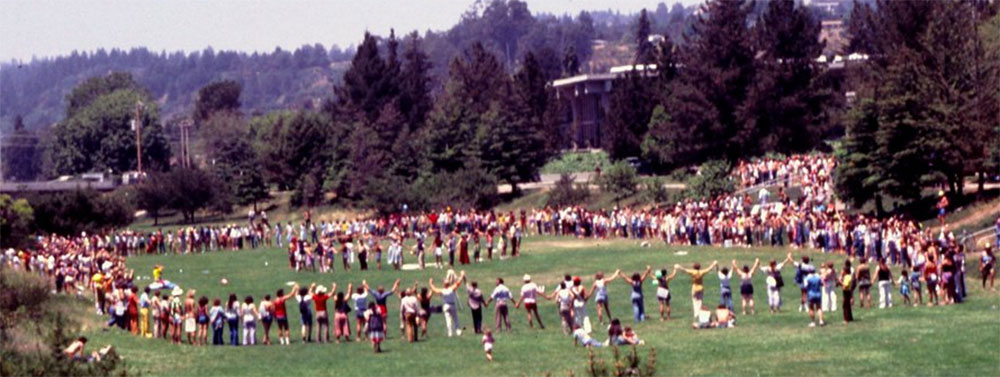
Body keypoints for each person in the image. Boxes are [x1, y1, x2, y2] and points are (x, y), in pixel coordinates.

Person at [429, 271, 466, 337]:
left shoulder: (443, 291)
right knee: (455, 318)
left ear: (444, 285)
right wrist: (462, 275)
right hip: (452, 305)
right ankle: (458, 331)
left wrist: (431, 283)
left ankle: (450, 333)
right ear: (449, 284)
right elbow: (458, 283)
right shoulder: (452, 289)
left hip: (446, 305)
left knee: (448, 320)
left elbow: (434, 290)